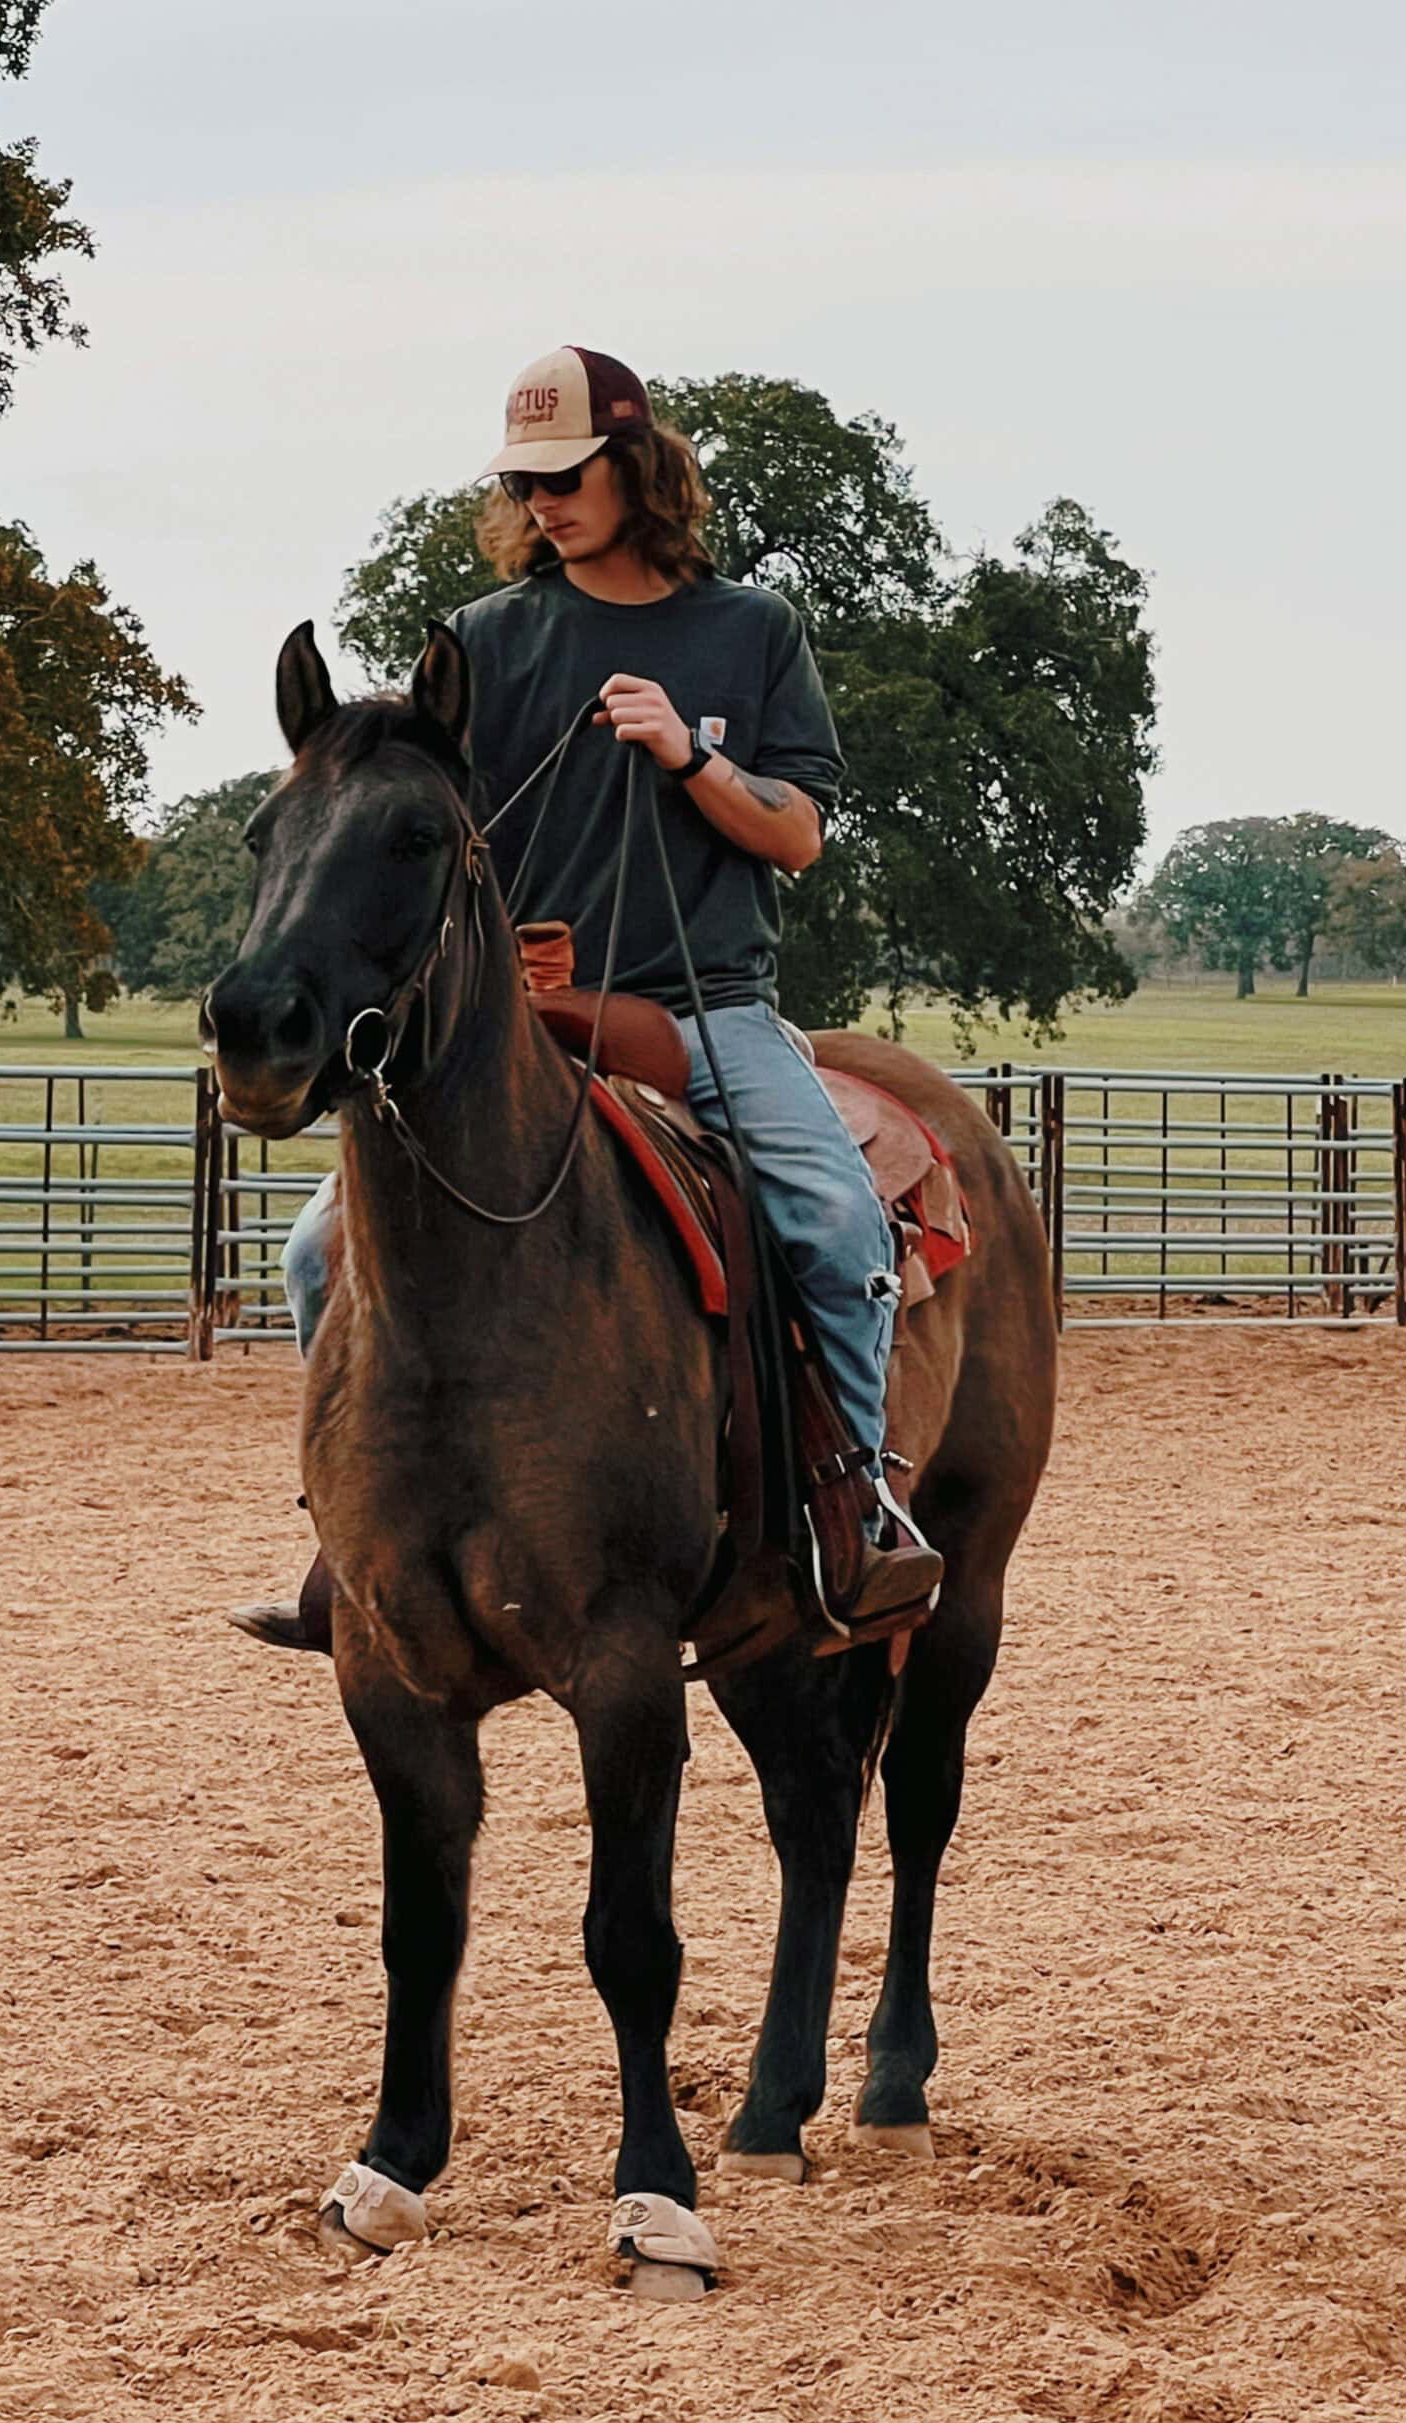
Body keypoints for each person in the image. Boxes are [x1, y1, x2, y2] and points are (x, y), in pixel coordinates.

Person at [238, 346, 939, 1649]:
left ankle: (858, 1514)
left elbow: (796, 835)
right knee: (310, 1253)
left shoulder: (752, 632)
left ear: (636, 467)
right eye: (525, 482)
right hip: (515, 1021)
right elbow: (418, 823)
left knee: (840, 1230)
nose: (544, 501)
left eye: (567, 476)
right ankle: (354, 1532)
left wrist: (688, 757)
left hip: (705, 1012)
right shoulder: (483, 641)